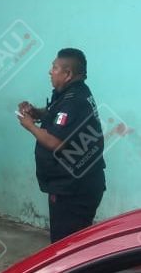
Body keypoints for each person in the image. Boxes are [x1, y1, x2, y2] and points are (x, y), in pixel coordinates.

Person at [18, 48, 106, 243]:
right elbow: (56, 116)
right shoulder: (72, 92)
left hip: (74, 190)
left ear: (68, 74)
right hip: (74, 184)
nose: (50, 71)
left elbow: (56, 142)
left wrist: (30, 126)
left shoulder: (74, 101)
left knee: (65, 246)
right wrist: (36, 112)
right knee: (72, 244)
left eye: (55, 68)